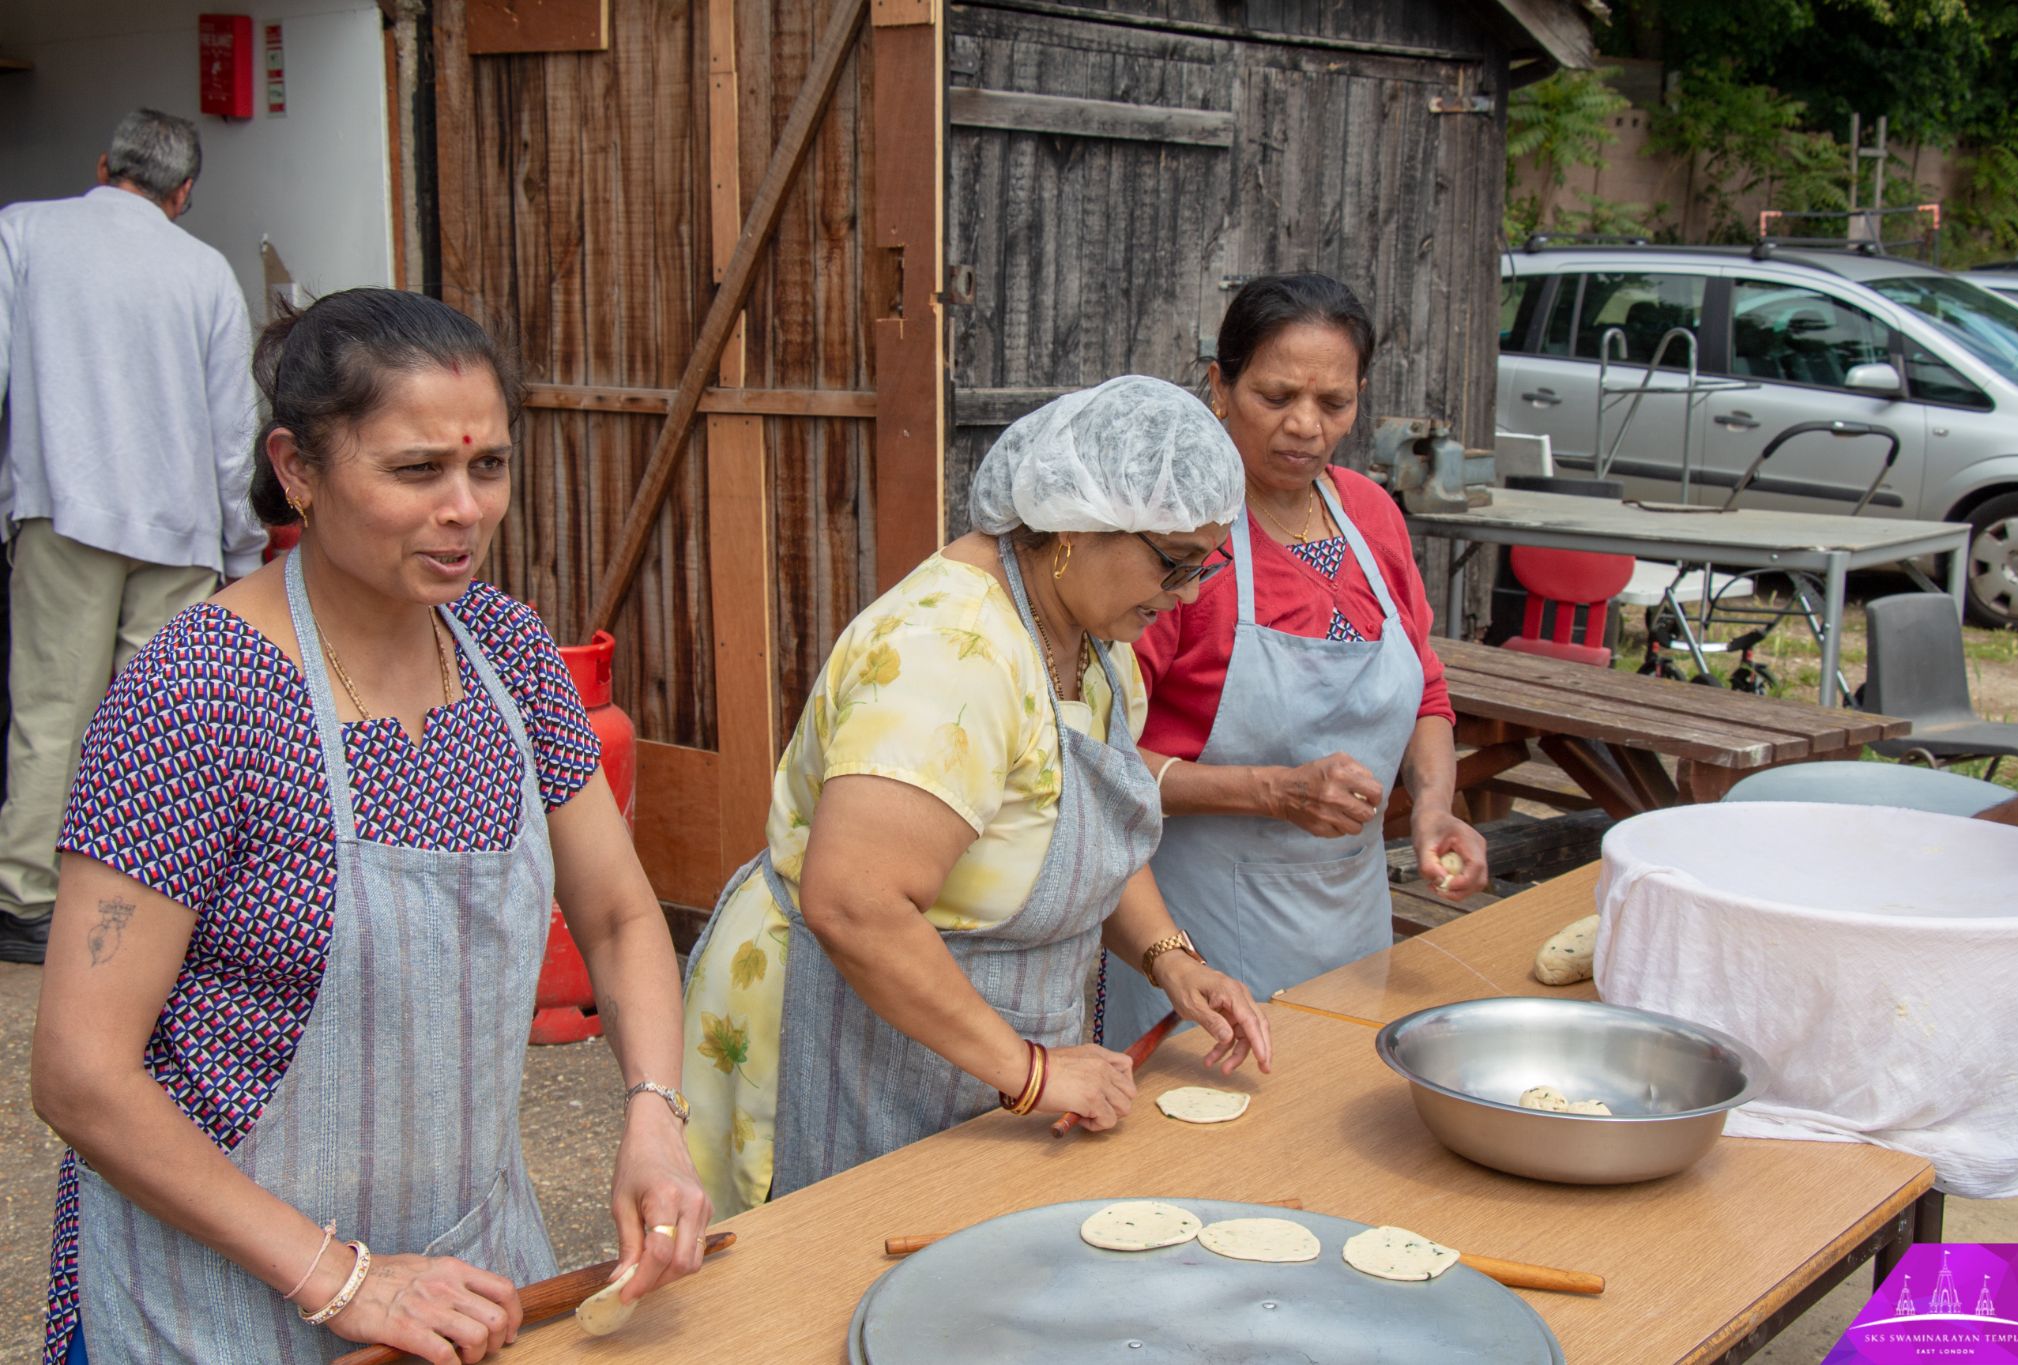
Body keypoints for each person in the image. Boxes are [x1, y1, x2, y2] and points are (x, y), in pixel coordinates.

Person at [30, 289, 709, 1365]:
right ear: (298, 469)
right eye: (414, 471)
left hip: (466, 1272)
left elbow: (623, 918)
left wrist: (654, 1112)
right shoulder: (194, 695)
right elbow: (80, 1072)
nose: (466, 509)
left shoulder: (508, 656)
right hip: (217, 1295)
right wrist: (338, 1278)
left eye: (485, 467)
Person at [681, 376, 1274, 1220]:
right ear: (1075, 519)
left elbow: (1090, 830)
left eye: (1203, 567)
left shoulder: (1097, 642)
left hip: (981, 1051)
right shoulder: (950, 654)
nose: (1184, 594)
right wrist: (1030, 1070)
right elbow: (855, 902)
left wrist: (1171, 956)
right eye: (1174, 562)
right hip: (847, 1033)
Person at [1104, 274, 1489, 1047]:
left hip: (1353, 922)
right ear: (1220, 384)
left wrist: (1437, 805)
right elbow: (1098, 760)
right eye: (1276, 397)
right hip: (1201, 933)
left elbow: (1424, 692)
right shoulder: (1178, 540)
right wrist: (1273, 791)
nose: (1305, 426)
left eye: (1334, 403)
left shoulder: (1372, 515)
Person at [0, 108, 269, 965]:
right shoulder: (205, 273)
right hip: (181, 526)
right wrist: (240, 549)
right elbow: (236, 432)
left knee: (53, 709)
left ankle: (27, 899)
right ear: (183, 193)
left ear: (101, 162)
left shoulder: (24, 233)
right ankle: (151, 904)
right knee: (163, 726)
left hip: (64, 507)